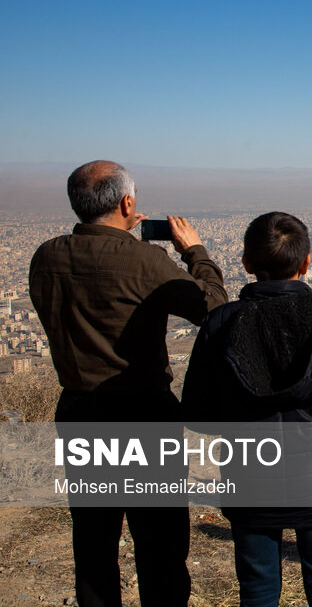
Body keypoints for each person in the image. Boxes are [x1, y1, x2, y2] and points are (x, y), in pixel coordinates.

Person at [29, 160, 227, 606]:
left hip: (79, 411)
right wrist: (195, 252)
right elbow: (214, 308)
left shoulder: (46, 256)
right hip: (144, 415)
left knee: (94, 541)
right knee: (160, 544)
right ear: (128, 202)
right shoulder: (145, 260)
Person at [182, 211, 312, 607]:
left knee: (257, 592)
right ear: (306, 264)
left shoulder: (221, 323)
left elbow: (198, 414)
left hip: (249, 480)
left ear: (247, 264)